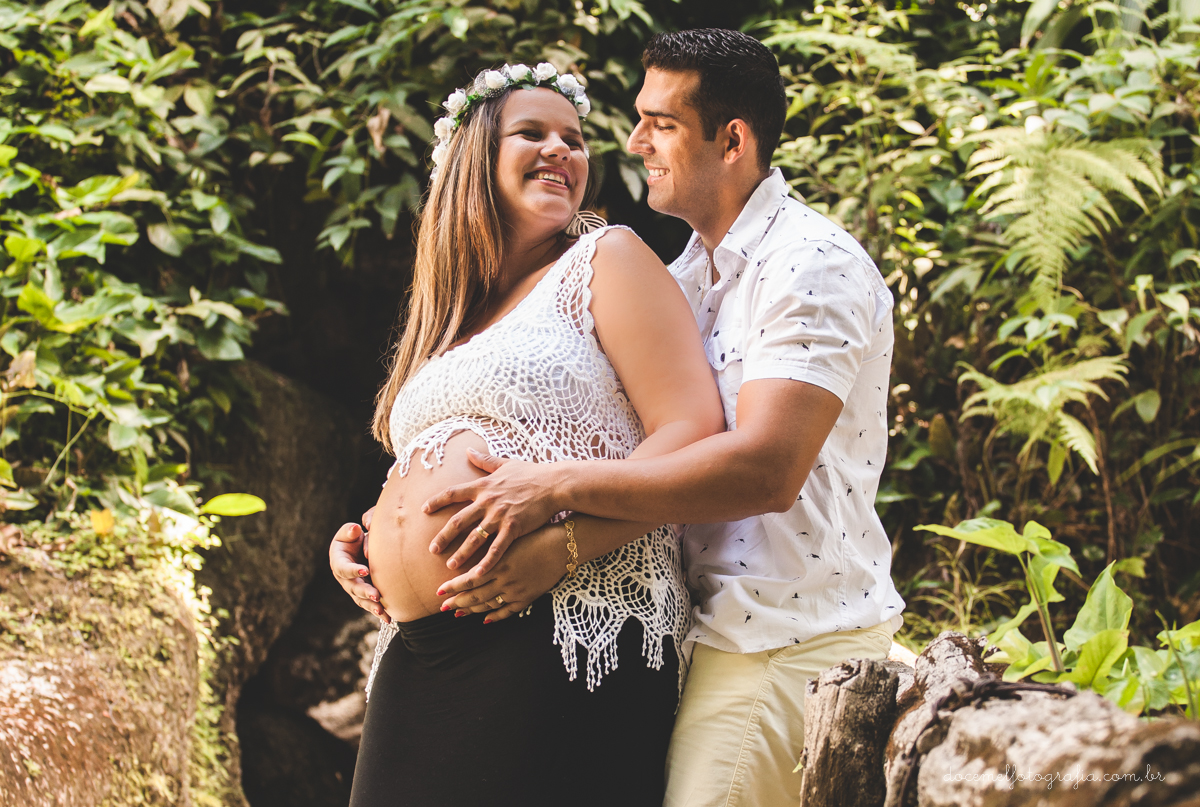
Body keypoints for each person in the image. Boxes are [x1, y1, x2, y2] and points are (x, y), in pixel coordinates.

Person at [335, 29, 908, 806]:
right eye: (535, 133)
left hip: (777, 632)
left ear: (731, 139)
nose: (626, 142)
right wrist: (374, 535)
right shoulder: (688, 274)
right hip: (676, 624)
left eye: (658, 123)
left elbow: (759, 464)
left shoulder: (804, 261)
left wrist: (562, 526)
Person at [341, 61, 725, 807]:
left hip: (561, 620)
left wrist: (564, 544)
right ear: (472, 159)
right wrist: (364, 541)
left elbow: (691, 429)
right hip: (419, 650)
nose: (561, 150)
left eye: (574, 139)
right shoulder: (455, 317)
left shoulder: (605, 258)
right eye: (533, 133)